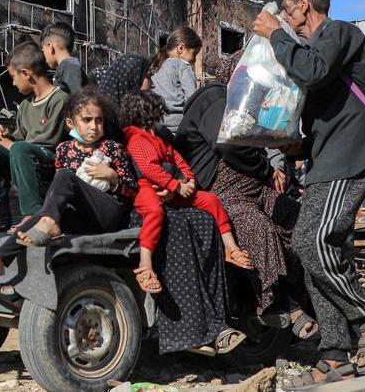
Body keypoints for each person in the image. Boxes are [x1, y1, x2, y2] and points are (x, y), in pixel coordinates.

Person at [252, 0, 365, 387]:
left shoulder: (339, 33)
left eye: (286, 7)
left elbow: (312, 72)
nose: (283, 15)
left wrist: (277, 36)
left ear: (303, 5)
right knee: (312, 246)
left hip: (350, 157)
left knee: (313, 242)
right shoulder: (311, 48)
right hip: (326, 160)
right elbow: (320, 102)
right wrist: (299, 145)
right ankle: (334, 353)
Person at [175, 53, 313, 334]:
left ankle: (315, 294)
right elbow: (229, 145)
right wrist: (266, 170)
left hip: (253, 188)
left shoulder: (242, 106)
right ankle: (280, 303)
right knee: (257, 226)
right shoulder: (214, 99)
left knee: (300, 219)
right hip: (223, 192)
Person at [0, 89, 137, 278]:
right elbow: (62, 193)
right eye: (87, 120)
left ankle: (49, 224)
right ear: (71, 123)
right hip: (81, 217)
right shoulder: (64, 150)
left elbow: (132, 190)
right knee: (41, 215)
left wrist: (112, 176)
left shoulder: (112, 148)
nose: (93, 126)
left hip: (107, 214)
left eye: (98, 120)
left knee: (63, 178)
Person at [121, 90, 251, 297]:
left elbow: (179, 160)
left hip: (172, 187)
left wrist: (188, 180)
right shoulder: (137, 138)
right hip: (146, 187)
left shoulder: (158, 138)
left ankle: (231, 248)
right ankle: (145, 264)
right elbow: (149, 168)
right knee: (154, 212)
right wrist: (176, 185)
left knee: (210, 200)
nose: (154, 124)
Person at [0, 42, 69, 238]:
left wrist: (13, 144)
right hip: (23, 154)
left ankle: (32, 215)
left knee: (20, 150)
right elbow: (21, 137)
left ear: (26, 73)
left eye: (13, 77)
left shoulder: (60, 99)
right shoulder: (24, 106)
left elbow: (50, 139)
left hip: (49, 158)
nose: (13, 83)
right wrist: (4, 137)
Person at [149, 26, 202, 134]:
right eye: (194, 53)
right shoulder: (182, 65)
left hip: (157, 125)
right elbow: (193, 99)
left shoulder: (156, 65)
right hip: (179, 127)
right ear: (181, 48)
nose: (195, 59)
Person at [41, 21, 88, 94]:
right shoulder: (67, 66)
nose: (43, 54)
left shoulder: (69, 66)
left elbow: (80, 98)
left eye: (43, 50)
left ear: (50, 47)